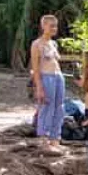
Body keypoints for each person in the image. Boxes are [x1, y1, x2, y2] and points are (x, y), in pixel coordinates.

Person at [30, 14, 64, 151]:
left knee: (59, 107)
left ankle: (55, 138)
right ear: (43, 26)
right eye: (51, 26)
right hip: (46, 76)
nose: (54, 29)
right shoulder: (37, 44)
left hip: (58, 76)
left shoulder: (53, 44)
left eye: (55, 26)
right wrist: (39, 87)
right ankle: (44, 137)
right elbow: (35, 67)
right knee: (46, 106)